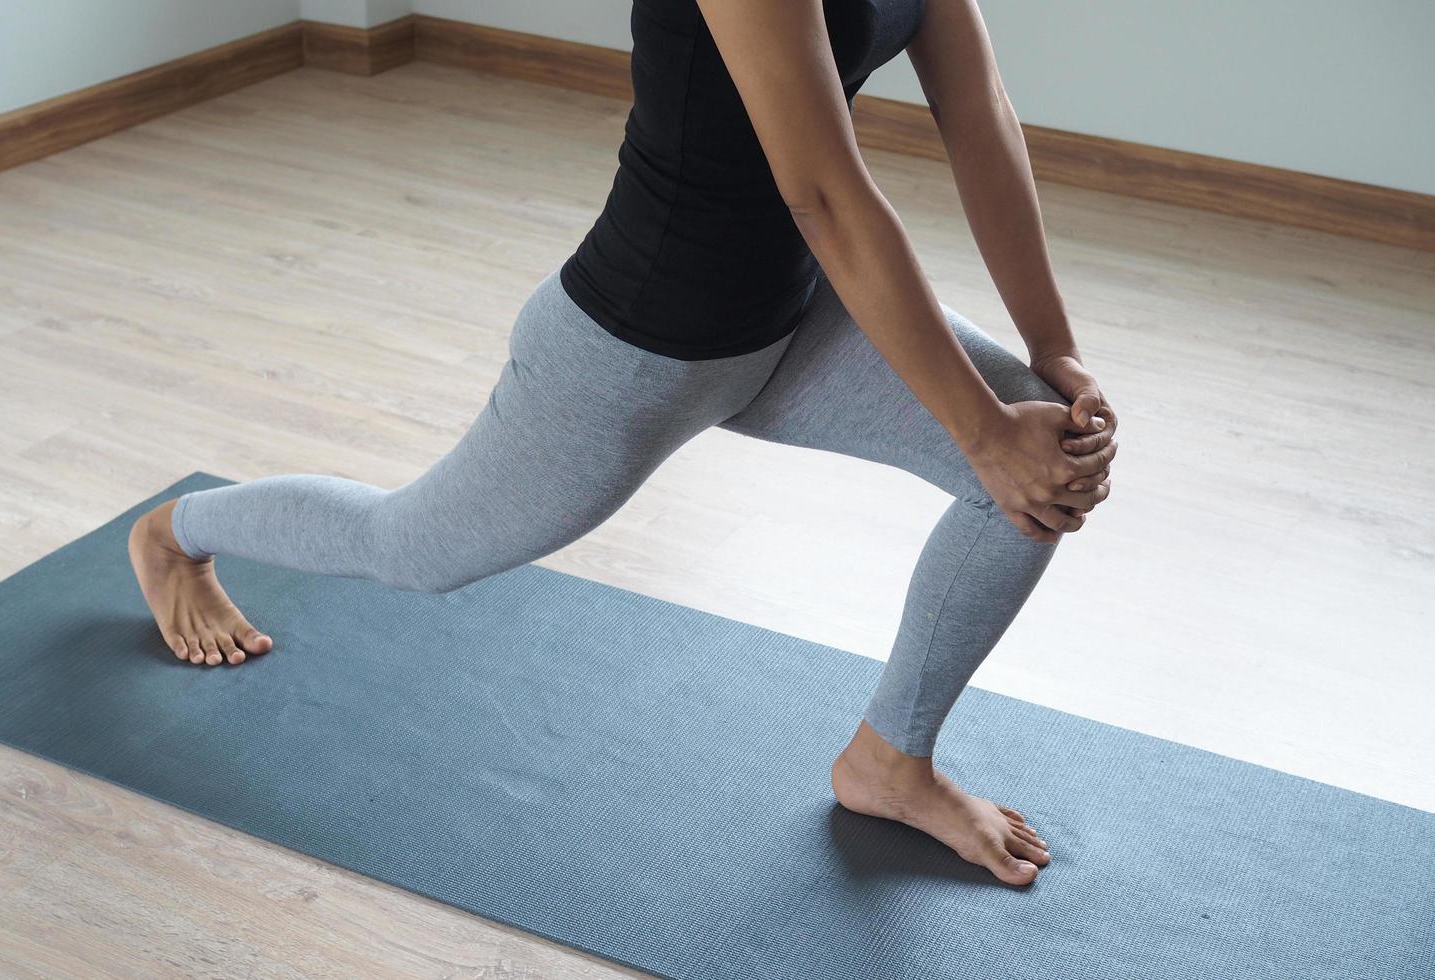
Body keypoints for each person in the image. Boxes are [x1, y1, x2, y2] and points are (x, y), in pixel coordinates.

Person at [128, 0, 1117, 887]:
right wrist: (982, 429)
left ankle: (889, 761)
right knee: (410, 548)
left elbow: (979, 110)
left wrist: (1053, 347)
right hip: (637, 351)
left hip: (799, 317)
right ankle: (176, 534)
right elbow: (821, 187)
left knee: (1044, 468)